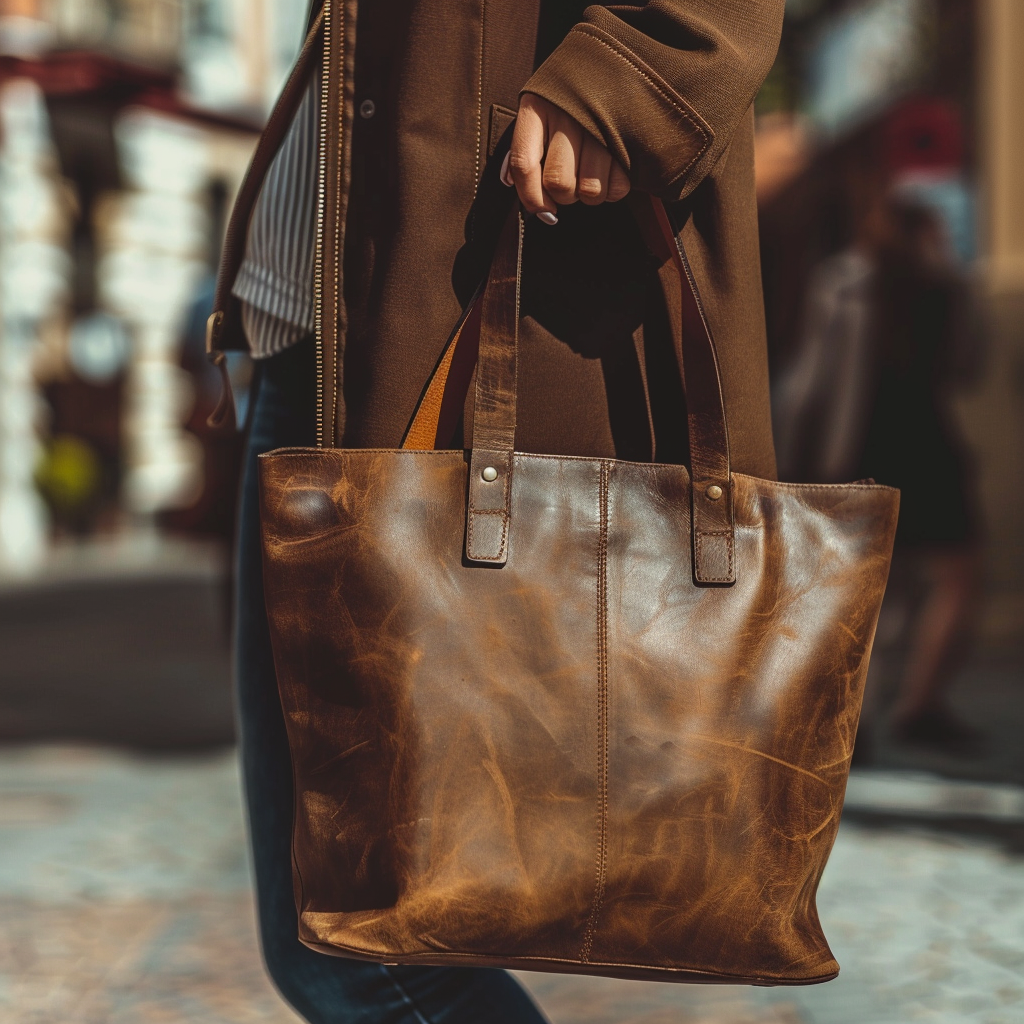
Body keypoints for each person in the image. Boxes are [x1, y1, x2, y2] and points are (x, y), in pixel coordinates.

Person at [216, 1, 786, 1020]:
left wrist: (618, 79)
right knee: (339, 930)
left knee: (358, 940)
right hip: (305, 340)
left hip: (433, 318)